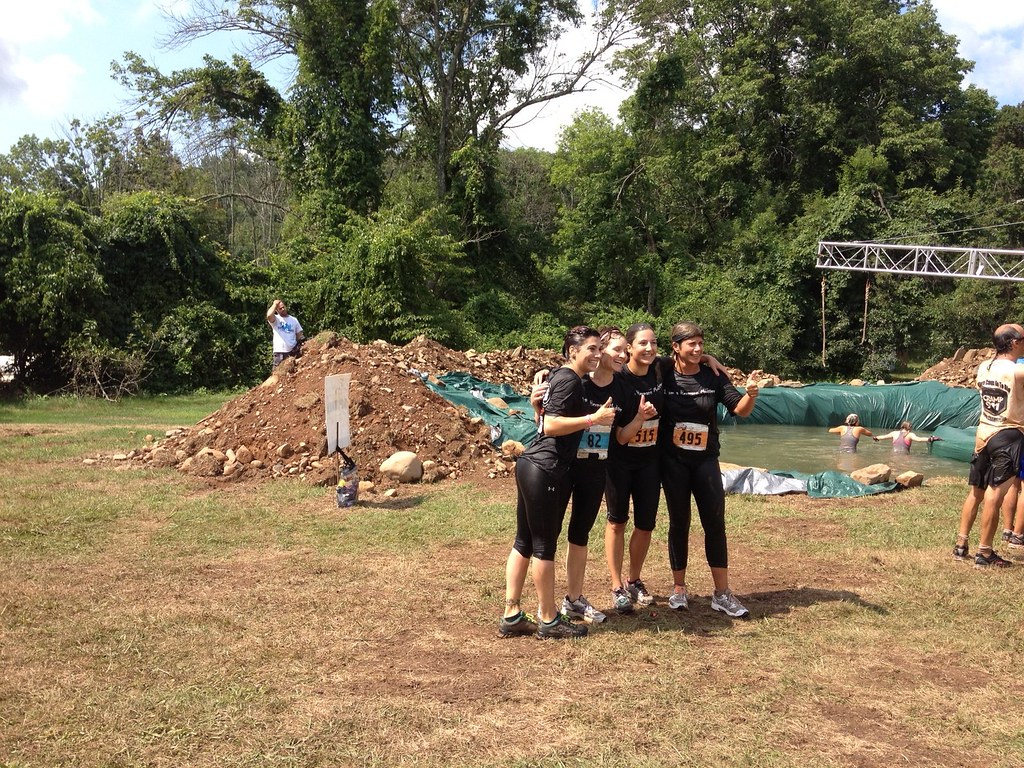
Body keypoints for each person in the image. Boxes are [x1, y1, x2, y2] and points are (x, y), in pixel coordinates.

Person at [499, 326, 617, 639]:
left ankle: (512, 614)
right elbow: (551, 425)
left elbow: (544, 415)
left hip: (531, 465)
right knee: (543, 547)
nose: (596, 354)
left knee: (523, 541)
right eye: (590, 349)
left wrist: (538, 405)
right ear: (572, 352)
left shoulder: (557, 377)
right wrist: (595, 419)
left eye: (598, 349)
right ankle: (549, 619)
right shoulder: (568, 379)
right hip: (546, 468)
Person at [659, 321, 759, 618]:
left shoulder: (713, 376)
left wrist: (750, 394)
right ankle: (679, 589)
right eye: (692, 344)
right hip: (673, 462)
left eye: (701, 343)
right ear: (676, 347)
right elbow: (638, 360)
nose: (699, 348)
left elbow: (738, 409)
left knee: (714, 523)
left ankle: (722, 593)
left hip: (705, 460)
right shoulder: (663, 373)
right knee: (679, 522)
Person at [951, 323, 1024, 568]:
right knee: (996, 493)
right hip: (1008, 436)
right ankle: (985, 551)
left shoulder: (985, 367)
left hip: (983, 434)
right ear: (1014, 343)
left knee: (977, 491)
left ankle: (961, 544)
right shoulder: (1016, 371)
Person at [267, 299, 305, 368]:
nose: (283, 309)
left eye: (283, 307)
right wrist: (274, 304)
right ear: (276, 310)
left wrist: (299, 344)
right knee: (278, 375)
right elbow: (269, 315)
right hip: (279, 353)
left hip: (293, 352)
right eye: (280, 308)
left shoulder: (294, 320)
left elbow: (299, 335)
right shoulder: (276, 319)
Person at [873, 421, 940, 453]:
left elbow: (884, 437)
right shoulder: (910, 435)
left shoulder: (894, 433)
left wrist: (876, 437)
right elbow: (919, 439)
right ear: (910, 427)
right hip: (904, 456)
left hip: (893, 454)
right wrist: (931, 438)